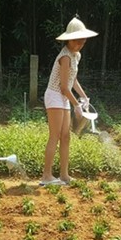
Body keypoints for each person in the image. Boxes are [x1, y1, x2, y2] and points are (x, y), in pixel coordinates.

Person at [39, 17, 98, 186]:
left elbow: (73, 79)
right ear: (68, 40)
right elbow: (64, 87)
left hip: (63, 97)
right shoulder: (65, 57)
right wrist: (76, 104)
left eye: (82, 41)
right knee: (55, 136)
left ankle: (64, 175)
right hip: (55, 95)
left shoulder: (75, 55)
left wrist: (83, 96)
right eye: (77, 41)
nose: (80, 44)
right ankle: (46, 176)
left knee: (66, 137)